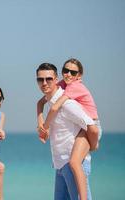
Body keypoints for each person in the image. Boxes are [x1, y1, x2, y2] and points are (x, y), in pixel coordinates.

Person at [37, 59, 102, 200]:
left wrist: (93, 144)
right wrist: (41, 122)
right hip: (60, 165)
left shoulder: (67, 103)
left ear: (55, 80)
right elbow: (41, 103)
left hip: (73, 165)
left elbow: (94, 128)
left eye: (48, 79)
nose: (44, 83)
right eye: (40, 79)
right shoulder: (53, 98)